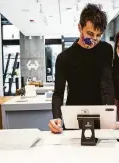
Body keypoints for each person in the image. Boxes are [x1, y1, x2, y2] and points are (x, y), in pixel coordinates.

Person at [49, 4, 115, 133]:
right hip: (73, 116)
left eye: (99, 35)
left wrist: (110, 113)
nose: (94, 39)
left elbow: (108, 82)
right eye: (90, 33)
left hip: (101, 115)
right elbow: (58, 93)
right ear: (80, 28)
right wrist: (56, 117)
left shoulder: (106, 50)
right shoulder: (64, 58)